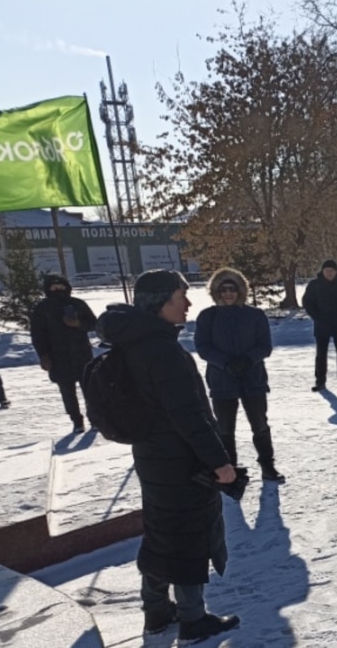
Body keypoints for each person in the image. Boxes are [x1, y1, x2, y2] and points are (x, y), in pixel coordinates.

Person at [96, 270, 240, 643]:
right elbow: (188, 416)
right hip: (180, 460)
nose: (188, 304)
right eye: (180, 296)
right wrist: (219, 462)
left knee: (161, 532)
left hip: (152, 456)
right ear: (160, 303)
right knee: (187, 536)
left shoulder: (134, 341)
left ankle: (156, 612)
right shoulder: (161, 350)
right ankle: (193, 618)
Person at [193, 268, 284, 483]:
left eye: (232, 289)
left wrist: (248, 360)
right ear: (216, 292)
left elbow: (265, 346)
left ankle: (267, 466)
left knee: (259, 424)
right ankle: (230, 470)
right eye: (223, 289)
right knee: (225, 428)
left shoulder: (255, 315)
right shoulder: (208, 317)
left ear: (240, 290)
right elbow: (203, 347)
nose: (228, 294)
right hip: (222, 381)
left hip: (253, 380)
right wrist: (225, 363)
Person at [30, 274, 97, 432]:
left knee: (91, 390)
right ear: (48, 289)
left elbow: (93, 323)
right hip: (58, 357)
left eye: (61, 286)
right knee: (68, 393)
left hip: (82, 355)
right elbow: (37, 334)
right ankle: (77, 422)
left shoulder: (78, 304)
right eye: (54, 287)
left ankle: (95, 419)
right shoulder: (42, 308)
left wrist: (78, 324)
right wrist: (43, 355)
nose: (58, 289)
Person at [302, 259, 337, 392]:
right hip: (322, 325)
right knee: (321, 355)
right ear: (322, 271)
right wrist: (317, 317)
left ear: (336, 271)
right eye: (327, 270)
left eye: (332, 270)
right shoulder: (314, 285)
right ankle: (320, 381)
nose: (330, 273)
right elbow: (307, 302)